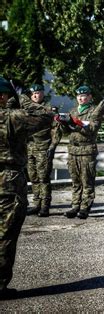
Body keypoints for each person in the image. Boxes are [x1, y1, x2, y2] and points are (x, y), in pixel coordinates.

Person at [0, 77, 52, 299]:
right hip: (7, 181)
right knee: (5, 235)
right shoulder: (10, 117)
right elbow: (46, 117)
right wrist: (22, 97)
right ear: (4, 96)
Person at [61, 86, 103, 219]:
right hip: (73, 150)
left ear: (90, 97)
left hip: (87, 150)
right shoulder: (72, 111)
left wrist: (76, 124)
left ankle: (85, 207)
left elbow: (92, 129)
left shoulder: (94, 111)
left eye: (84, 95)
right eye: (78, 96)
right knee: (75, 180)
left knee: (87, 180)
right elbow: (66, 133)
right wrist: (63, 123)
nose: (80, 98)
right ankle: (75, 206)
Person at [22, 84, 61, 217]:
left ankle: (45, 206)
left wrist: (52, 147)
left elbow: (56, 130)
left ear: (42, 94)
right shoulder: (27, 110)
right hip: (30, 148)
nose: (35, 95)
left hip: (43, 148)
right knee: (33, 178)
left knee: (43, 178)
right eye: (33, 94)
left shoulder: (49, 110)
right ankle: (36, 203)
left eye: (38, 93)